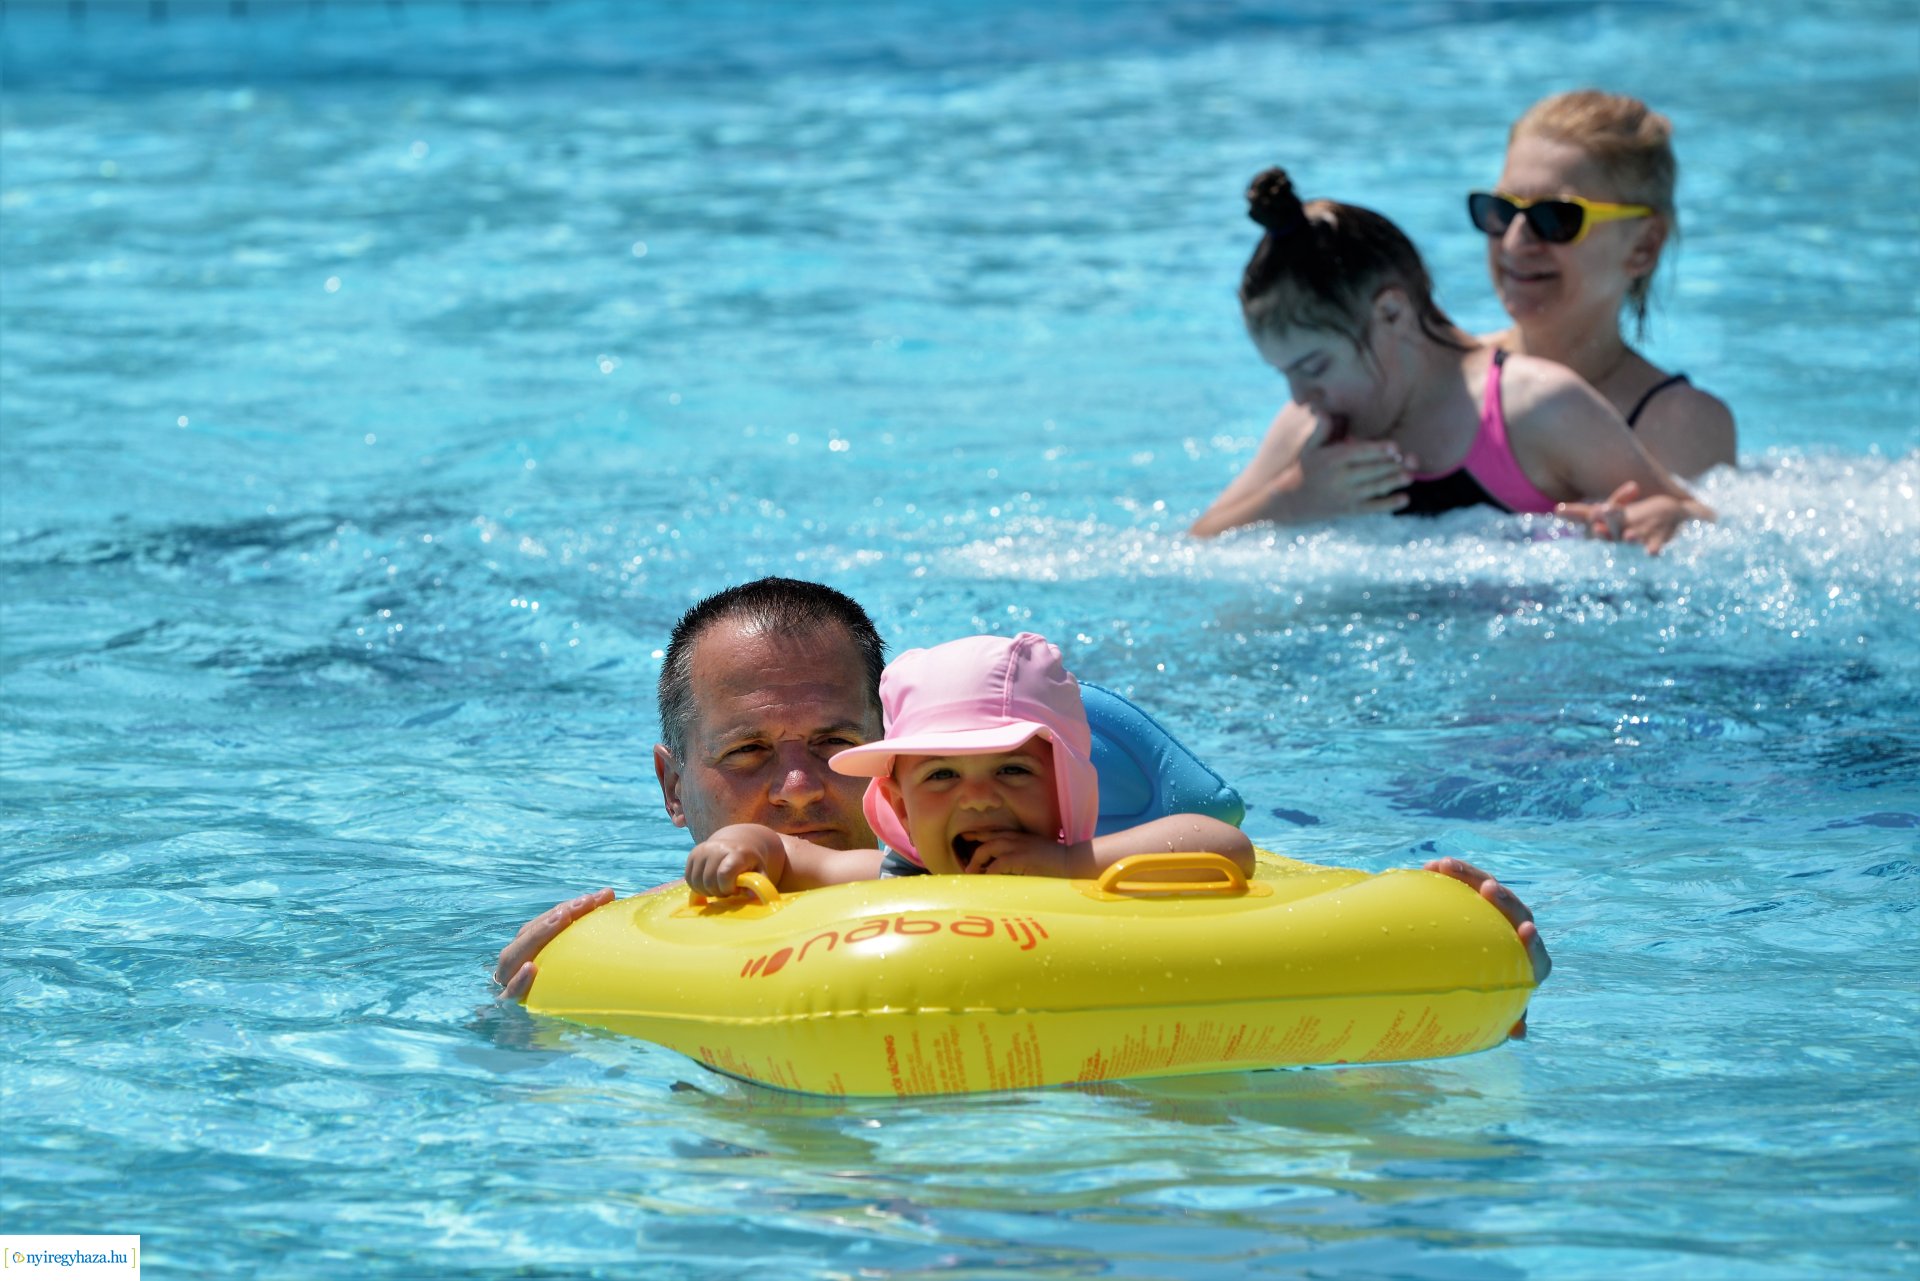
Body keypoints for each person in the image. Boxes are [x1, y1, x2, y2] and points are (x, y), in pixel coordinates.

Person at [493, 578, 1551, 1029]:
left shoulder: (1080, 858)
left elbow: (1224, 857)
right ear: (674, 790)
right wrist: (521, 1028)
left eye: (836, 746)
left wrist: (1478, 986)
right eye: (750, 756)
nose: (803, 788)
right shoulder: (654, 944)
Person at [1188, 168, 1714, 552]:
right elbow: (1196, 547)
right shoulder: (1315, 435)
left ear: (1392, 312)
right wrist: (1292, 500)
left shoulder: (1536, 408)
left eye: (1314, 367)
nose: (1300, 396)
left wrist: (1660, 520)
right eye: (1285, 375)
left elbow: (1701, 522)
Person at [682, 632, 1256, 897]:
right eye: (942, 776)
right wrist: (742, 842)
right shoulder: (897, 879)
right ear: (899, 804)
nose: (977, 798)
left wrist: (1066, 863)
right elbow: (791, 856)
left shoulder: (1094, 868)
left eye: (1012, 770)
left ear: (1066, 790)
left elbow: (1225, 844)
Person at [1477, 89, 1736, 480]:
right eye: (1501, 210)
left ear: (1643, 246)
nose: (1515, 241)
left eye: (1556, 218)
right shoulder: (1439, 379)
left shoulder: (1677, 426)